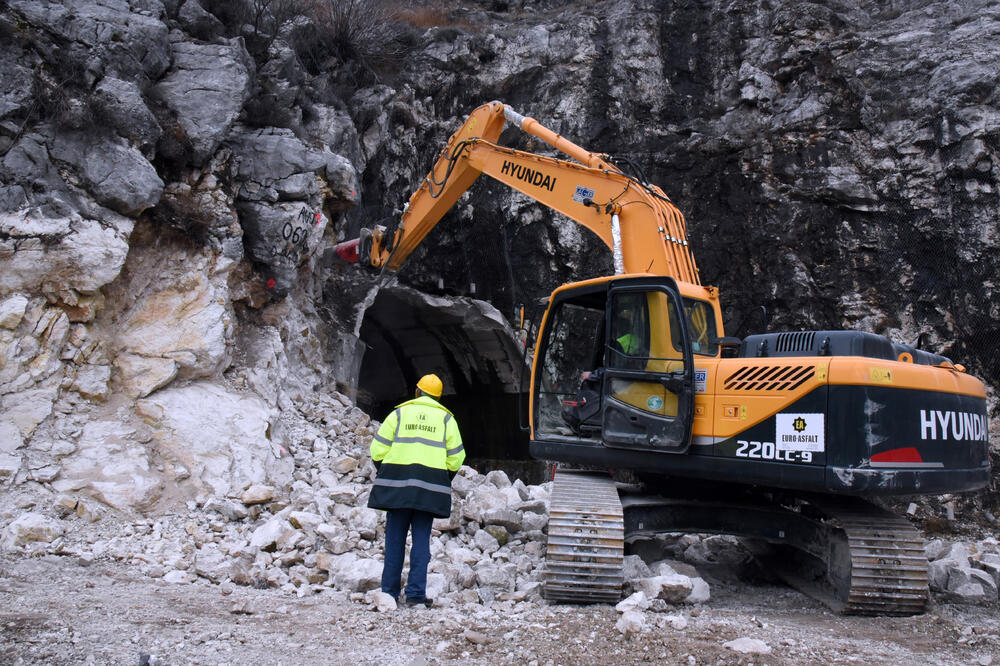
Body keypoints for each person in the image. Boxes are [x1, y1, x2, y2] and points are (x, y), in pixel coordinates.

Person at [367, 373, 465, 608]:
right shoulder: (446, 419)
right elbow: (456, 457)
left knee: (394, 540)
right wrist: (442, 477)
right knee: (421, 543)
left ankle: (389, 592)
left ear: (417, 392)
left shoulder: (399, 413)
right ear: (439, 398)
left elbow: (377, 449)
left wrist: (387, 471)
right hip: (428, 490)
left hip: (397, 487)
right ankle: (415, 595)